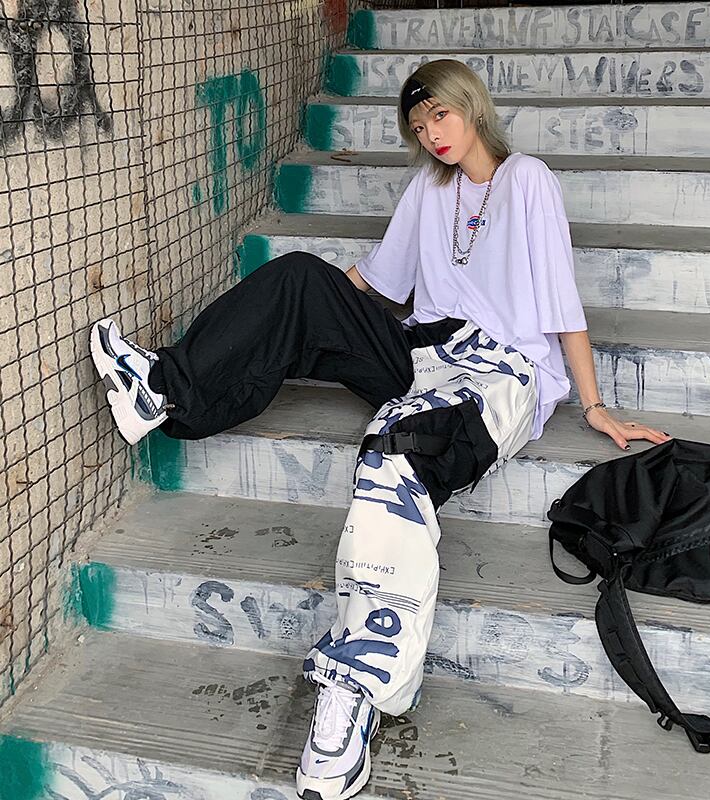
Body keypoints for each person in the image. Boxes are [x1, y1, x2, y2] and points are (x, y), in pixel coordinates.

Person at [89, 59, 671, 800]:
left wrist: (592, 405)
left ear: (472, 108)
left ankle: (355, 692)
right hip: (421, 353)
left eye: (441, 116)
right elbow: (376, 281)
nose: (432, 135)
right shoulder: (429, 189)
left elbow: (561, 306)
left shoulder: (528, 181)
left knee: (395, 452)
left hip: (500, 374)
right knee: (300, 276)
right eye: (419, 126)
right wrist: (316, 309)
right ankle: (163, 391)